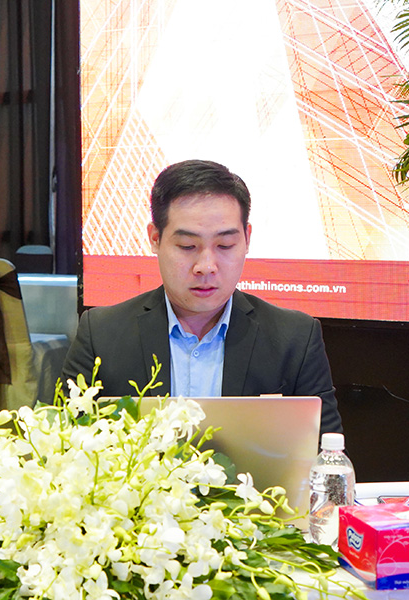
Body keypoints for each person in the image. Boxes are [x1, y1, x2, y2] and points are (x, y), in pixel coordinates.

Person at [62, 159, 342, 435]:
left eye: (225, 245)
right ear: (155, 238)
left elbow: (327, 452)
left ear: (247, 238)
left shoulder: (295, 339)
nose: (206, 266)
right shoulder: (101, 334)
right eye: (187, 246)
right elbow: (65, 448)